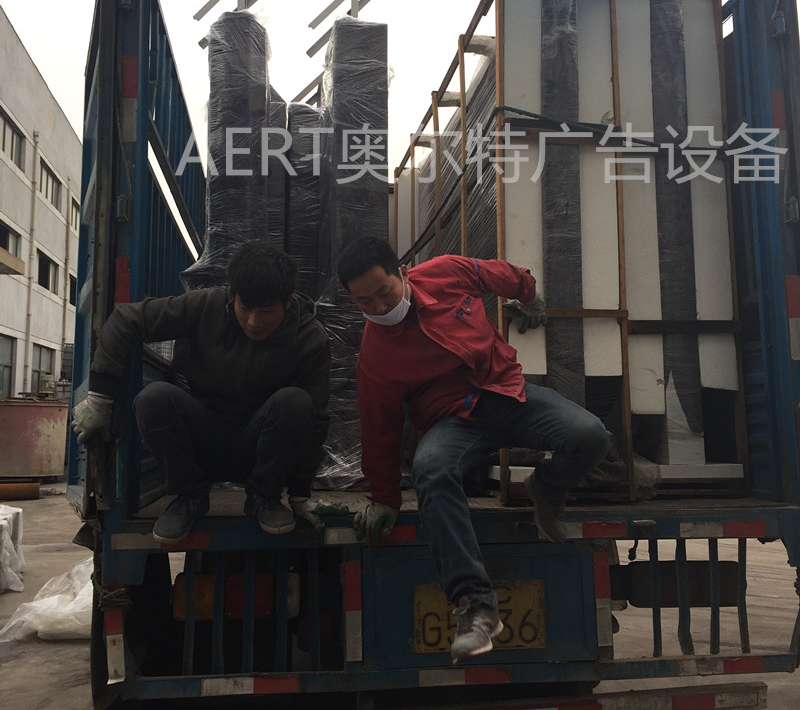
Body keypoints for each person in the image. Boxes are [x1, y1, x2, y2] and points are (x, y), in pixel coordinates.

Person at [338, 237, 609, 665]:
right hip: (453, 421)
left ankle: (548, 487)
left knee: (590, 435)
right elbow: (379, 427)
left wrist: (530, 296)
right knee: (431, 467)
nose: (379, 306)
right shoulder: (376, 354)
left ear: (403, 273)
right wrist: (384, 498)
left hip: (506, 392)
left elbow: (498, 274)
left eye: (384, 293)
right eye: (364, 302)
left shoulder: (445, 272)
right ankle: (476, 607)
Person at [71, 239, 331, 543]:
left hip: (261, 448)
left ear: (287, 302)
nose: (253, 322)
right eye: (245, 308)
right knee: (154, 399)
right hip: (203, 439)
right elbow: (126, 319)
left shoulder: (310, 338)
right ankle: (189, 496)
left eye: (266, 311)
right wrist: (99, 399)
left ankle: (263, 498)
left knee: (296, 402)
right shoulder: (206, 305)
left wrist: (299, 494)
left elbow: (316, 421)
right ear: (233, 295)